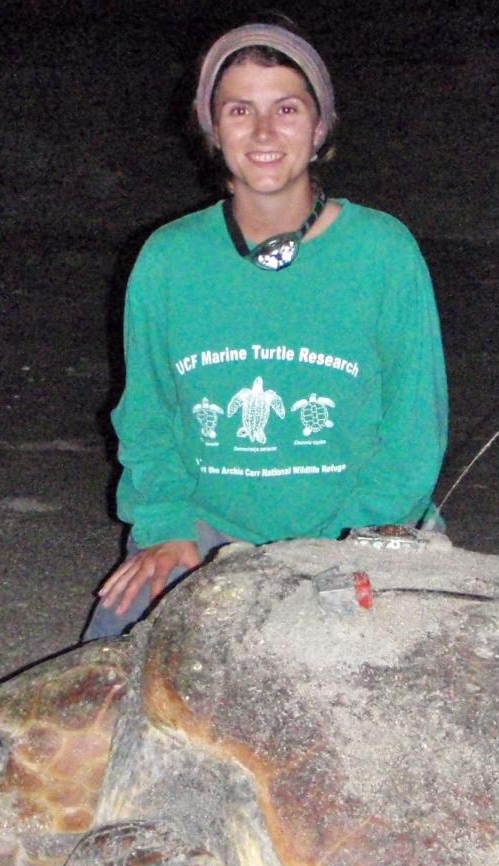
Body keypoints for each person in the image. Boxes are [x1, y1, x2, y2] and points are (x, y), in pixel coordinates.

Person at [83, 20, 448, 641]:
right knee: (109, 679)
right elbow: (147, 414)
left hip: (362, 531)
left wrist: (349, 546)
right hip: (210, 526)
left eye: (286, 107)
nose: (263, 132)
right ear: (211, 128)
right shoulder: (169, 259)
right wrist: (167, 525)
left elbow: (414, 431)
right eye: (238, 109)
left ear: (320, 126)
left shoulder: (383, 252)